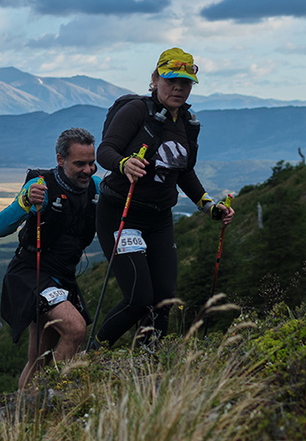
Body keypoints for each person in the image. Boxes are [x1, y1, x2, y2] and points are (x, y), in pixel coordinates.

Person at [93, 47, 234, 348]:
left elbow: (184, 172)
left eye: (185, 83)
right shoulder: (136, 111)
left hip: (159, 218)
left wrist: (209, 206)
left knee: (164, 300)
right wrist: (124, 163)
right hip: (121, 211)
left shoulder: (188, 123)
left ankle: (148, 365)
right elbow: (104, 151)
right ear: (155, 79)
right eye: (171, 81)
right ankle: (89, 359)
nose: (178, 88)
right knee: (138, 299)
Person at [0, 127, 100, 390]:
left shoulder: (94, 188)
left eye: (91, 162)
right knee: (75, 329)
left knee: (39, 357)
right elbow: (0, 228)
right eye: (80, 164)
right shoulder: (39, 185)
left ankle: (23, 415)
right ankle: (48, 398)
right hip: (31, 271)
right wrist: (25, 202)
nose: (88, 170)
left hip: (62, 276)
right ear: (60, 160)